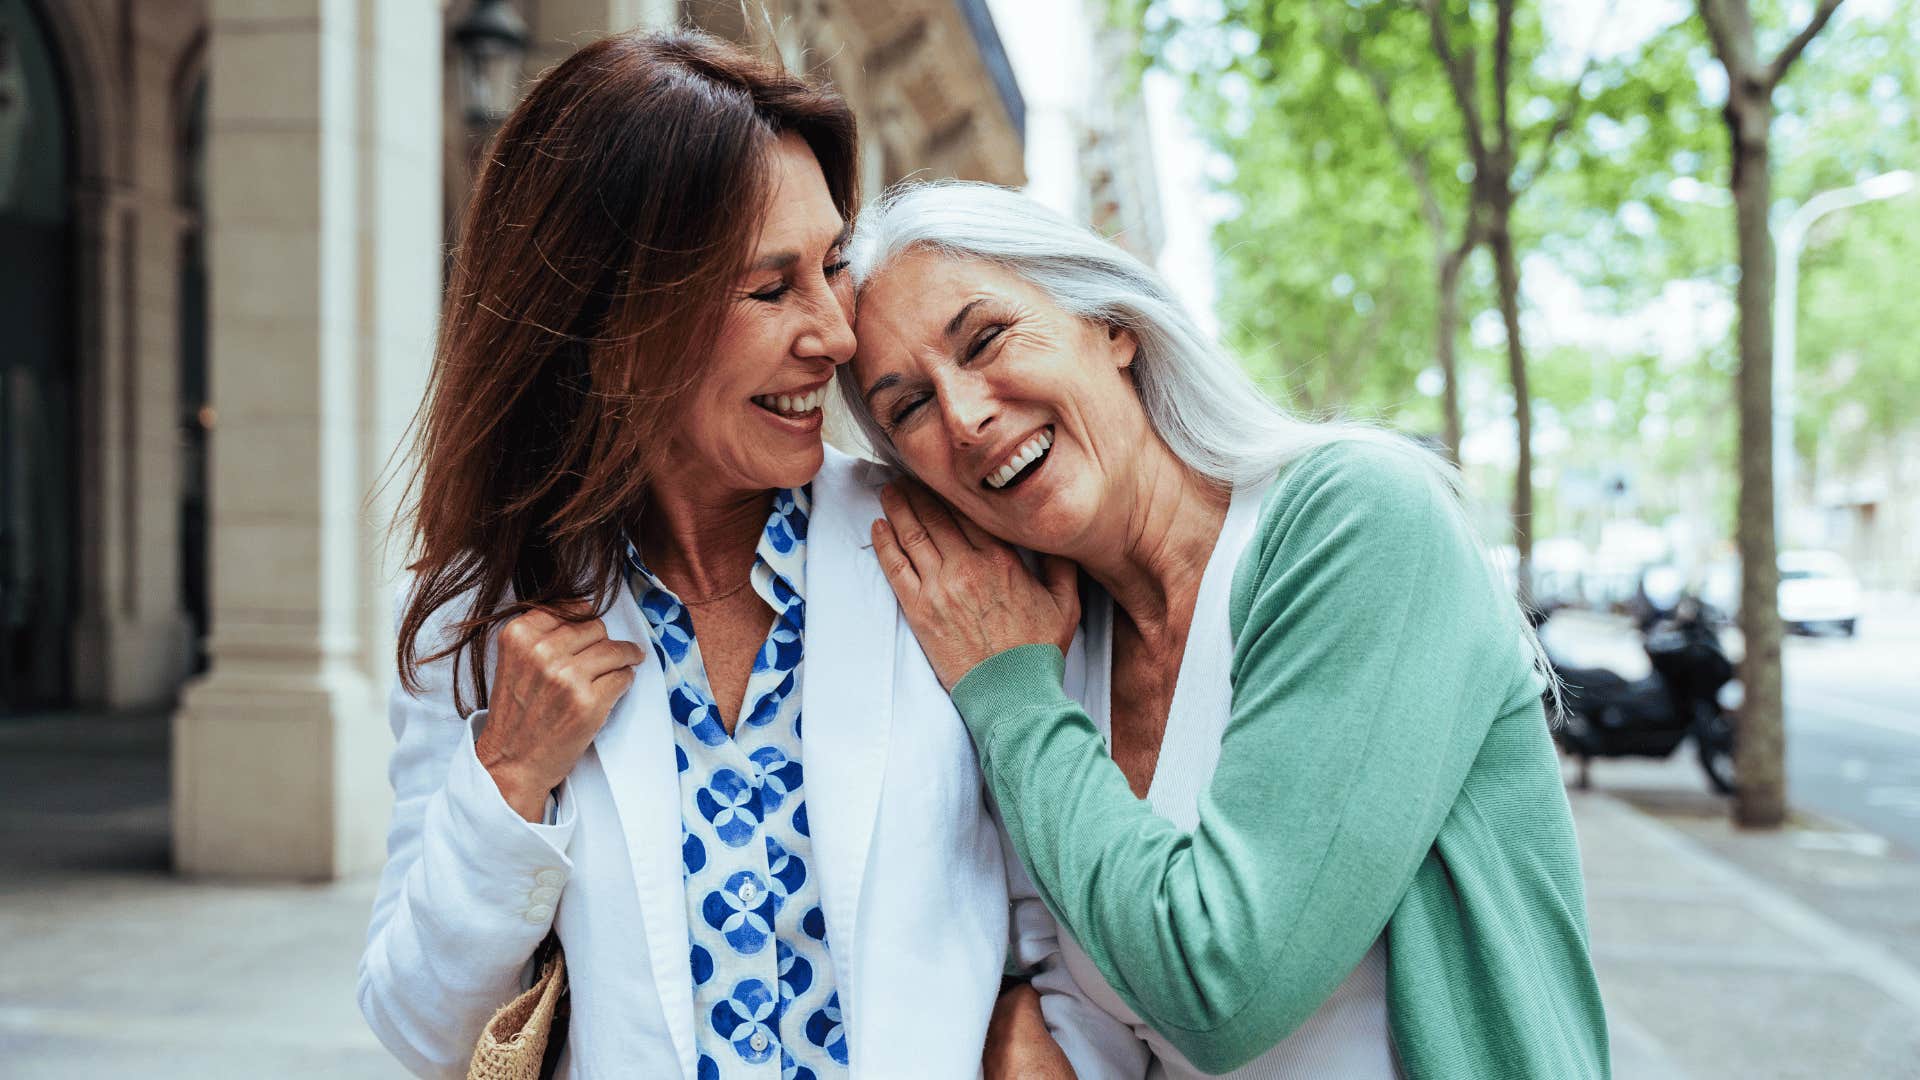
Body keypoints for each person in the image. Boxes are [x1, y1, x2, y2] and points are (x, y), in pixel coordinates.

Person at [358, 34, 1038, 1079]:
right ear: (612, 326)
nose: (837, 337)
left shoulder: (938, 546)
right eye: (770, 290)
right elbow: (420, 1032)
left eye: (830, 268)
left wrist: (1037, 1021)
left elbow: (1061, 898)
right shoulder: (477, 617)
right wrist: (507, 780)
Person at [839, 180, 1612, 1078]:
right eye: (909, 410)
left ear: (1114, 325)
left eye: (987, 338)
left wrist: (1011, 701)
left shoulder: (1353, 520)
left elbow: (1222, 989)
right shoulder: (1048, 637)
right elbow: (1101, 1009)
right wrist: (1020, 1018)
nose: (965, 417)